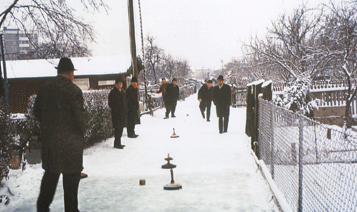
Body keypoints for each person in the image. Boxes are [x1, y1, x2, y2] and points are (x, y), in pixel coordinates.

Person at [34, 57, 87, 212]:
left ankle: (42, 208)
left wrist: (49, 128)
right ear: (70, 73)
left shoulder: (45, 88)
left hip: (51, 146)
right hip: (71, 147)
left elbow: (36, 112)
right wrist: (80, 133)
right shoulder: (74, 91)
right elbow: (80, 119)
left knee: (50, 178)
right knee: (70, 186)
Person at [108, 78, 127, 149]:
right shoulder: (112, 93)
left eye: (121, 84)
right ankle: (117, 143)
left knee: (121, 128)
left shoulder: (122, 92)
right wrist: (116, 109)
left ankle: (118, 142)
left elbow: (125, 102)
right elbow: (110, 103)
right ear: (115, 84)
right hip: (116, 114)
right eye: (118, 84)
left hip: (122, 113)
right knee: (117, 129)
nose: (119, 85)